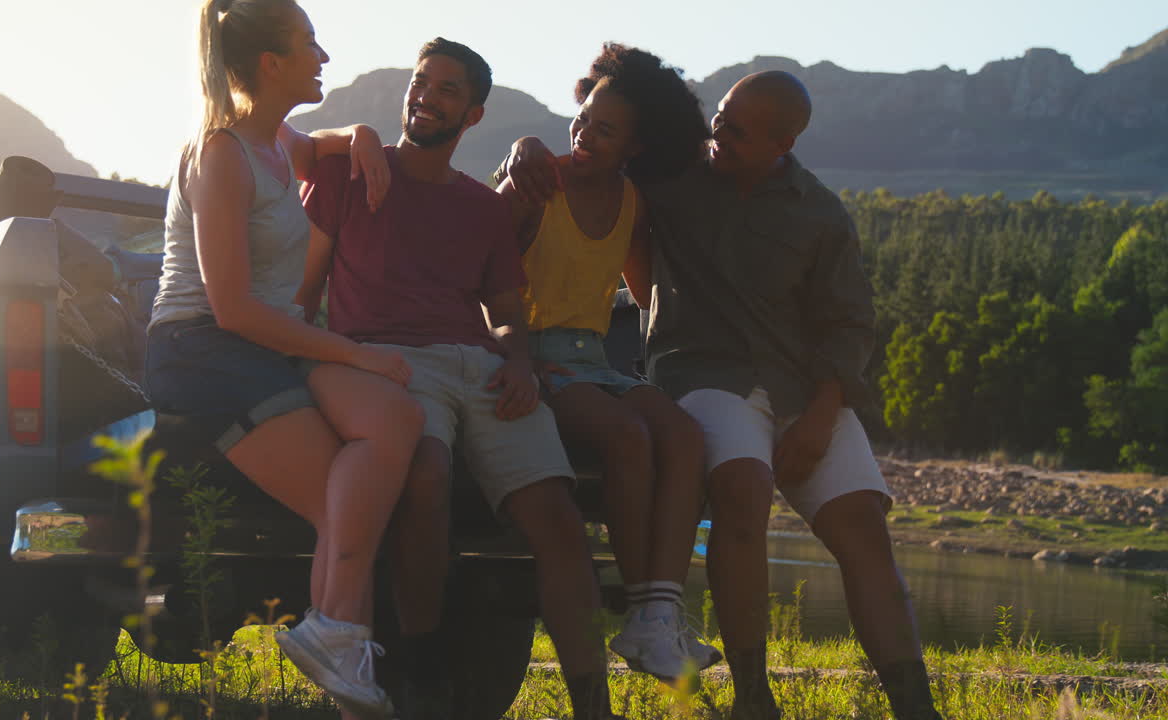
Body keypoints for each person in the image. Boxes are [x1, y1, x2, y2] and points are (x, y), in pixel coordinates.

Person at [500, 71, 944, 720]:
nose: (718, 134)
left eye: (736, 130)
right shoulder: (670, 180)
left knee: (863, 527)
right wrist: (523, 148)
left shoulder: (818, 212)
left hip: (802, 386)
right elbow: (588, 160)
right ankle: (753, 699)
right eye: (721, 117)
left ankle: (916, 705)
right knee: (741, 490)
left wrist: (822, 415)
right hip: (704, 374)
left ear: (783, 142)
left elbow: (849, 325)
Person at [301, 38, 623, 720]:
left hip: (482, 366)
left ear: (472, 115)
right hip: (387, 361)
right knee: (425, 475)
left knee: (559, 520)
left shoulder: (481, 207)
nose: (427, 95)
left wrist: (517, 361)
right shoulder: (351, 176)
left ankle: (593, 704)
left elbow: (506, 314)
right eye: (422, 82)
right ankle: (420, 673)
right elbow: (301, 290)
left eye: (448, 89)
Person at [143, 1, 422, 717]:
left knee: (395, 417)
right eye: (310, 44)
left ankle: (334, 631)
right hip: (202, 347)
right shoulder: (221, 155)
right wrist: (354, 351)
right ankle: (339, 633)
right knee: (343, 488)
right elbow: (231, 308)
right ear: (271, 63)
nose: (323, 56)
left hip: (262, 345)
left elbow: (311, 148)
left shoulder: (274, 142)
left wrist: (357, 133)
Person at [494, 43, 718, 683]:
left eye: (606, 130)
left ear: (636, 149)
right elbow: (477, 277)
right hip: (531, 355)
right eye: (584, 118)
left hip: (596, 361)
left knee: (682, 433)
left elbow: (648, 298)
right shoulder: (534, 183)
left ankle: (656, 616)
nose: (585, 134)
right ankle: (647, 616)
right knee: (626, 435)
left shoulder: (632, 204)